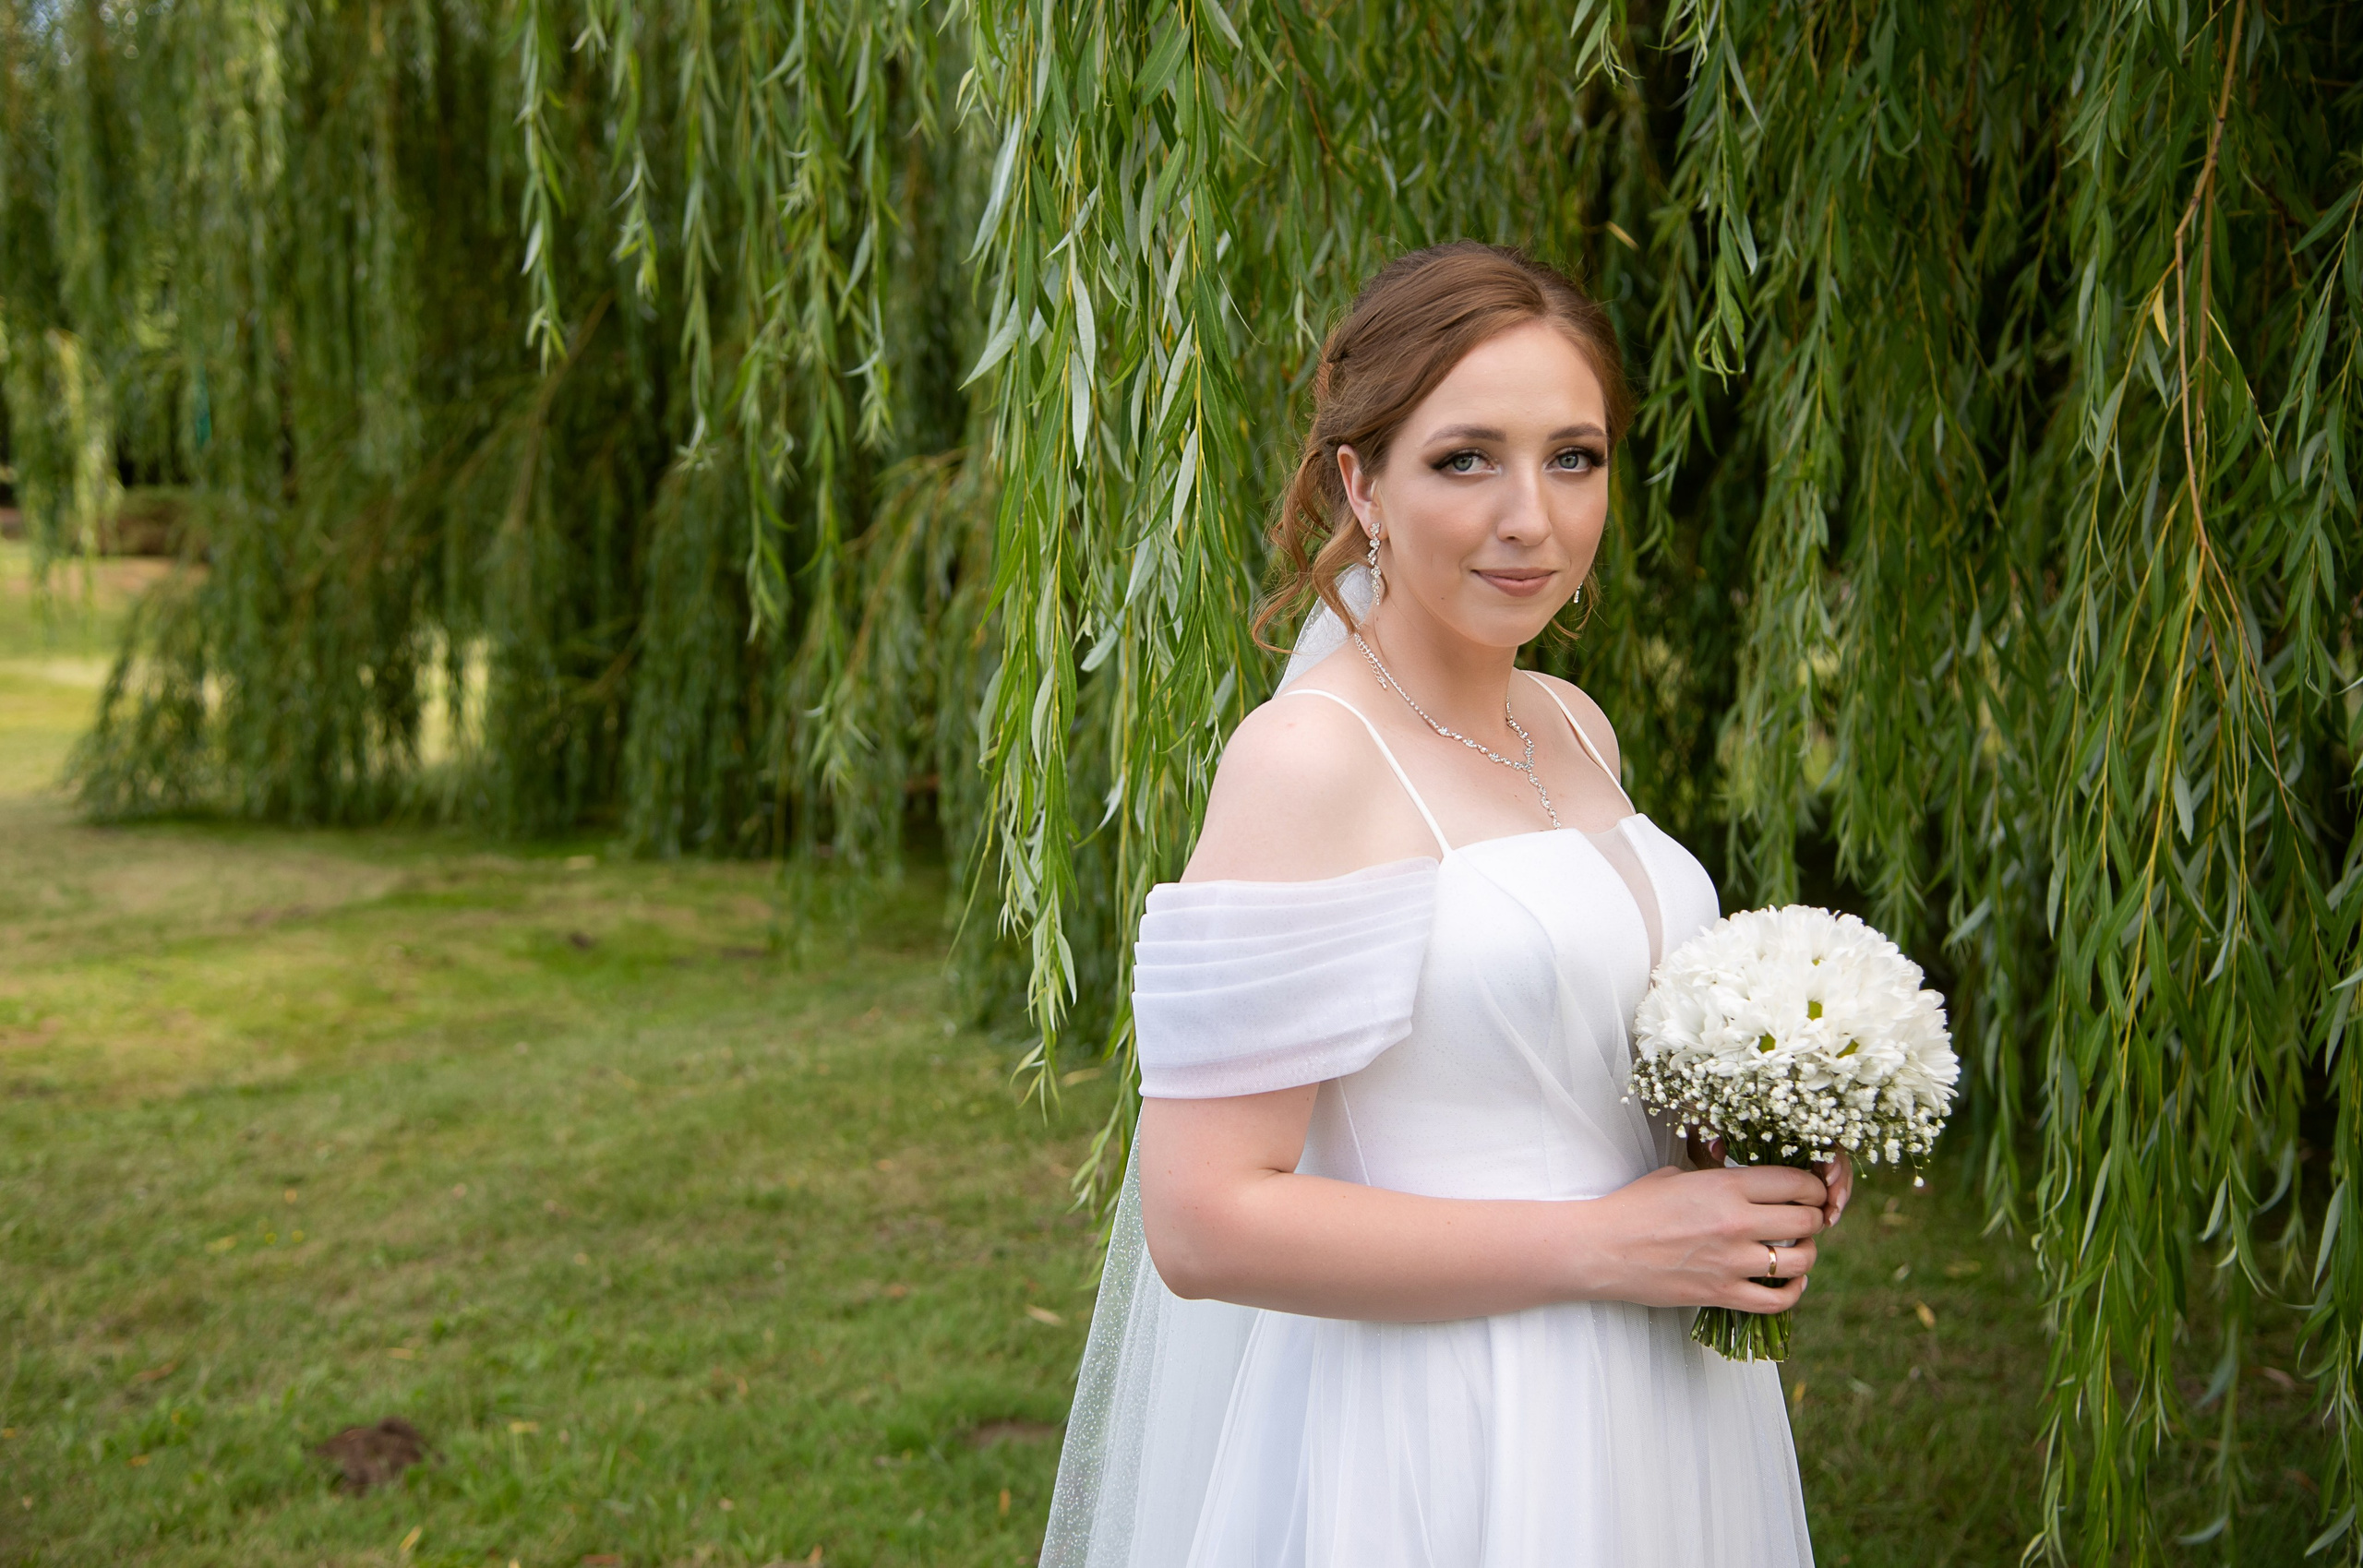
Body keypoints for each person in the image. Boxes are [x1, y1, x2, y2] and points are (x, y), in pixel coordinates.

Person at [1041, 241, 1848, 1568]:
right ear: (1359, 483)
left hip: (1665, 1397)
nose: (1531, 515)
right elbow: (1203, 1220)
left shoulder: (1572, 723)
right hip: (1441, 1425)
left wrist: (1751, 1169)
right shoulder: (1312, 760)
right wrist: (1605, 1247)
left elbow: (1560, 1070)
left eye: (1573, 456)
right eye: (1466, 459)